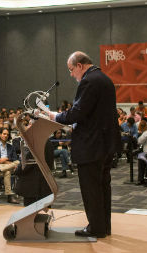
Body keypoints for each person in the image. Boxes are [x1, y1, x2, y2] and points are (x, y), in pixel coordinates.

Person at [43, 52, 120, 237]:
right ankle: (104, 226)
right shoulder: (105, 78)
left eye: (71, 70)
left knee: (91, 188)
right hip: (105, 144)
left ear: (79, 65)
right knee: (102, 187)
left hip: (91, 145)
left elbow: (78, 112)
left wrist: (55, 116)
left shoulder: (89, 81)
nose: (71, 75)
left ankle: (96, 228)